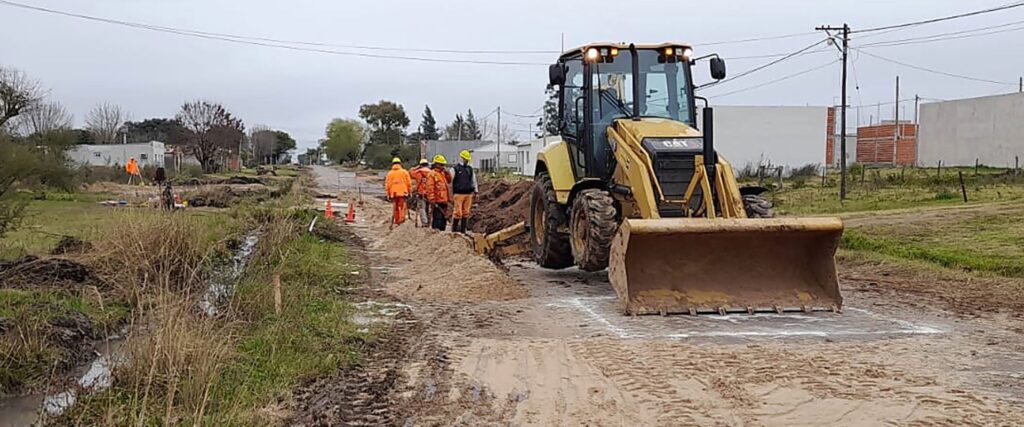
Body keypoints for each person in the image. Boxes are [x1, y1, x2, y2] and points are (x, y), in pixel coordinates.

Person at [451, 150, 478, 233]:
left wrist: (476, 191)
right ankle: (454, 230)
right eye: (465, 159)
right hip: (458, 193)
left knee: (466, 212)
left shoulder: (470, 169)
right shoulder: (455, 169)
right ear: (461, 158)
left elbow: (474, 180)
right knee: (458, 212)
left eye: (467, 160)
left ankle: (463, 230)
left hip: (468, 194)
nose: (466, 161)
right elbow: (450, 180)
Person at [426, 154, 452, 231]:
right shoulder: (432, 174)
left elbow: (449, 180)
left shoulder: (442, 173)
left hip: (444, 200)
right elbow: (430, 187)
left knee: (443, 219)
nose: (443, 166)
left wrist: (447, 173)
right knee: (437, 218)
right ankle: (436, 233)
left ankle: (442, 232)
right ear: (436, 164)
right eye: (441, 164)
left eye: (443, 164)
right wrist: (432, 199)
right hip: (437, 201)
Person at [384, 157, 412, 226]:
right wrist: (410, 192)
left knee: (395, 207)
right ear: (400, 163)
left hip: (394, 194)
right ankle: (401, 220)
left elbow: (388, 185)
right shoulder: (404, 172)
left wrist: (388, 194)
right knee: (402, 207)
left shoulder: (390, 173)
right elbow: (409, 183)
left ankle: (396, 221)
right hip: (403, 193)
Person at [408, 158, 431, 226]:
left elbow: (410, 172)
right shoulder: (431, 173)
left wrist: (417, 167)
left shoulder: (418, 173)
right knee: (427, 208)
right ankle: (428, 222)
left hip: (421, 193)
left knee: (422, 208)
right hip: (429, 194)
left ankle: (424, 222)